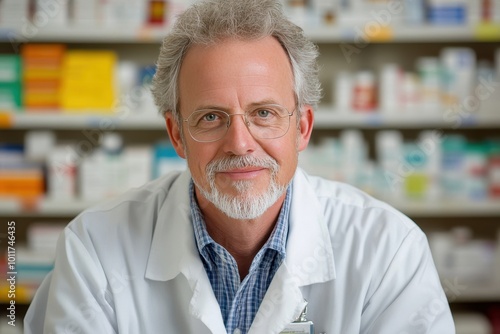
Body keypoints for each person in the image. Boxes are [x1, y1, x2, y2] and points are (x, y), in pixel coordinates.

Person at [24, 0, 455, 333]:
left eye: (264, 113)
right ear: (176, 135)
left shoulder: (387, 250)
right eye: (211, 117)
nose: (240, 142)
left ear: (302, 127)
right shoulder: (95, 249)